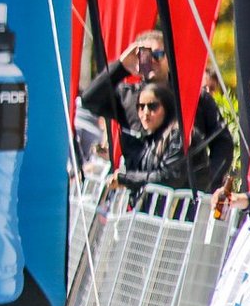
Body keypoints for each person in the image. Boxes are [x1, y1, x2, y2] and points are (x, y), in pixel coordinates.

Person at [80, 29, 231, 190]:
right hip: (139, 195)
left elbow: (223, 143)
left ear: (169, 58)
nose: (152, 60)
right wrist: (121, 67)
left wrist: (209, 182)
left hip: (184, 197)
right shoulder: (127, 97)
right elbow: (89, 100)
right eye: (145, 55)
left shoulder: (194, 97)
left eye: (159, 54)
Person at [113, 82, 209, 193]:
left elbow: (169, 178)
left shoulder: (178, 136)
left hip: (182, 208)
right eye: (141, 107)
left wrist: (126, 178)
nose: (146, 112)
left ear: (167, 108)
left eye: (153, 106)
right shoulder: (152, 137)